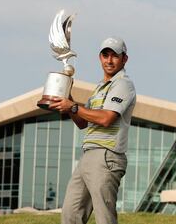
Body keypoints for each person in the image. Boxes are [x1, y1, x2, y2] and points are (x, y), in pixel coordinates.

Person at [49, 36, 136, 224]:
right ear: (100, 58)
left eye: (115, 56)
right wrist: (66, 92)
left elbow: (106, 118)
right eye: (105, 55)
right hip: (88, 155)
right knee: (70, 215)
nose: (109, 60)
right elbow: (82, 122)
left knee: (104, 218)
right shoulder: (99, 89)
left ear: (124, 59)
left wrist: (72, 107)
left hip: (107, 156)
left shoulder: (122, 84)